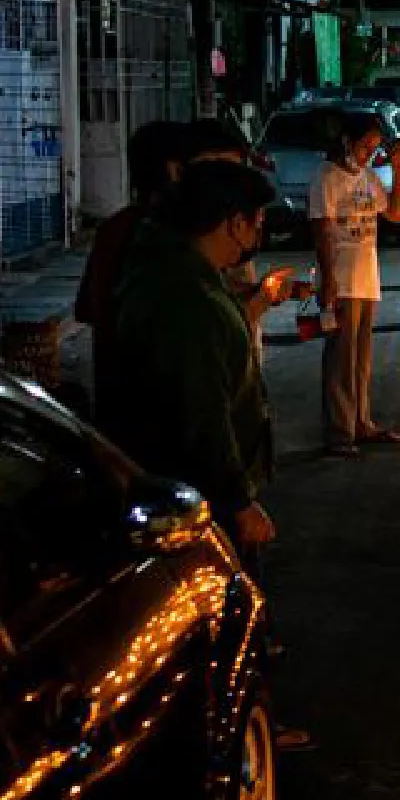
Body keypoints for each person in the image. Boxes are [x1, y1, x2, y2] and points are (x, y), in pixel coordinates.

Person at [109, 159, 279, 560]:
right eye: (256, 223)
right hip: (199, 500)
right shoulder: (186, 298)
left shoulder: (187, 273)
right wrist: (238, 501)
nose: (258, 233)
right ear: (234, 223)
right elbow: (201, 414)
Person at [77, 120, 262, 426]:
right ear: (176, 172)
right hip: (154, 421)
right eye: (218, 173)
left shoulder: (144, 233)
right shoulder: (159, 241)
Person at [311, 112, 400, 457]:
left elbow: (396, 214)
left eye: (375, 147)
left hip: (367, 279)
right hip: (342, 279)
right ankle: (339, 432)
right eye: (365, 146)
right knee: (341, 359)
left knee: (361, 360)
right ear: (347, 142)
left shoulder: (368, 176)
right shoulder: (327, 177)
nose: (370, 152)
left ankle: (361, 423)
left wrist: (398, 168)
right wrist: (327, 281)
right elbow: (321, 231)